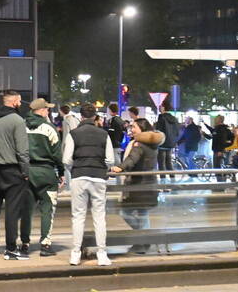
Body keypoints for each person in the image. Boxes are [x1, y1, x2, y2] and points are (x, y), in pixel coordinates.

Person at [0, 89, 31, 260]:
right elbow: (22, 151)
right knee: (12, 211)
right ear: (15, 102)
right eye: (19, 101)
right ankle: (10, 248)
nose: (20, 104)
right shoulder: (17, 121)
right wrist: (25, 172)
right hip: (13, 170)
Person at [62, 103, 115, 266]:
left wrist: (76, 168)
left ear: (81, 116)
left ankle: (75, 254)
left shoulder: (73, 134)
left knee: (78, 216)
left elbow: (66, 159)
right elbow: (110, 160)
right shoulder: (104, 134)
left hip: (79, 176)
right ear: (95, 117)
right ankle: (102, 254)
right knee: (99, 216)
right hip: (98, 177)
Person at [111, 118, 164, 254]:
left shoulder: (139, 144)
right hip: (149, 183)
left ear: (142, 129)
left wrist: (120, 167)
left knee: (125, 212)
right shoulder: (152, 143)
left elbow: (132, 159)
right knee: (142, 214)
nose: (132, 129)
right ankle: (143, 241)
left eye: (134, 127)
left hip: (138, 184)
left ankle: (143, 240)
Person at [25, 98, 63, 257]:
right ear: (41, 110)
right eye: (47, 109)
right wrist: (61, 172)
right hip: (46, 172)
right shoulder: (49, 128)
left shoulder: (22, 126)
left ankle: (24, 244)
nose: (48, 111)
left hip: (26, 172)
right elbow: (57, 154)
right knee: (47, 209)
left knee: (26, 210)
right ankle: (45, 245)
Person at [154, 102, 180, 179]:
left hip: (162, 143)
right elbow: (177, 132)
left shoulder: (161, 117)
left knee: (161, 163)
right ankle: (172, 178)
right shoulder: (174, 118)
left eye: (161, 106)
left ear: (164, 107)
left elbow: (158, 130)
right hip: (171, 143)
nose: (159, 107)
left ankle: (163, 181)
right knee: (168, 162)